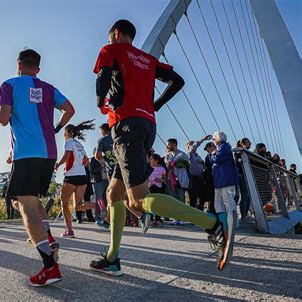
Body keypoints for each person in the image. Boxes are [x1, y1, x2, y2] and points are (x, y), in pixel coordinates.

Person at [89, 19, 234, 275]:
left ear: (116, 33)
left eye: (111, 36)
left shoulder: (111, 50)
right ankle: (112, 257)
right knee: (114, 194)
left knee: (139, 198)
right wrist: (155, 105)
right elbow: (177, 81)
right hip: (147, 126)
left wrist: (101, 101)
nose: (110, 39)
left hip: (125, 127)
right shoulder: (147, 59)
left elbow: (102, 80)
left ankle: (213, 223)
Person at [0, 48, 75, 286]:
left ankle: (50, 268)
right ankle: (48, 238)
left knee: (26, 206)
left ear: (18, 64)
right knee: (27, 200)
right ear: (38, 69)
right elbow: (69, 110)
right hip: (49, 153)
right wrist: (57, 128)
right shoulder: (49, 88)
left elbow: (2, 118)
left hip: (27, 153)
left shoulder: (9, 85)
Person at [55, 121, 95, 238]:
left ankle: (69, 230)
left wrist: (58, 164)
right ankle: (98, 205)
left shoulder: (68, 142)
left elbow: (67, 156)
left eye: (64, 132)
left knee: (64, 202)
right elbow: (87, 161)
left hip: (71, 175)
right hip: (82, 176)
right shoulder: (79, 144)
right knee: (78, 205)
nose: (63, 135)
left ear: (67, 132)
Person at [211, 131, 238, 263]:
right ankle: (224, 223)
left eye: (214, 138)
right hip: (221, 180)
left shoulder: (224, 147)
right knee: (220, 203)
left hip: (225, 180)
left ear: (218, 138)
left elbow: (217, 159)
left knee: (228, 202)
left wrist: (212, 154)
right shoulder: (221, 148)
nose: (213, 140)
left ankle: (232, 224)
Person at [164, 138, 190, 225]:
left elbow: (187, 165)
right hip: (170, 180)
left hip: (179, 179)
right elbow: (167, 166)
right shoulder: (168, 155)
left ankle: (182, 218)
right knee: (173, 199)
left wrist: (177, 163)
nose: (167, 146)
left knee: (181, 198)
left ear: (174, 145)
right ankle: (176, 218)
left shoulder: (182, 154)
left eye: (169, 144)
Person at [187, 135, 212, 211]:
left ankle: (199, 213)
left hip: (200, 178)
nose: (193, 147)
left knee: (201, 197)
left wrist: (202, 163)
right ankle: (193, 214)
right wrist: (203, 139)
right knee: (194, 197)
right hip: (193, 178)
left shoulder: (198, 156)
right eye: (190, 146)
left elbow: (205, 166)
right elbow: (194, 147)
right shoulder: (190, 155)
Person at [235, 138, 252, 222]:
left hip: (247, 176)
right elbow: (239, 164)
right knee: (245, 195)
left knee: (248, 196)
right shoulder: (238, 152)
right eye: (249, 142)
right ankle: (243, 216)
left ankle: (245, 214)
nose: (250, 144)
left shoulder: (245, 152)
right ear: (243, 144)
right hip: (242, 176)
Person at [147, 154, 166, 227]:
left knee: (157, 204)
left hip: (158, 187)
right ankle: (151, 219)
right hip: (150, 187)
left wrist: (159, 180)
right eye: (150, 159)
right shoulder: (148, 168)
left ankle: (158, 219)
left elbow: (165, 180)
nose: (150, 160)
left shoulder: (162, 169)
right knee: (150, 204)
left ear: (156, 160)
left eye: (152, 159)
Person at [203, 142, 216, 214]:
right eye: (212, 146)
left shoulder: (212, 155)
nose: (214, 147)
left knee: (214, 195)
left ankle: (211, 209)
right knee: (212, 195)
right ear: (208, 148)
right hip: (210, 179)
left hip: (213, 178)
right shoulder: (208, 156)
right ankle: (211, 210)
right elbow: (207, 168)